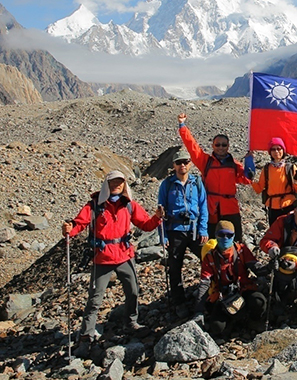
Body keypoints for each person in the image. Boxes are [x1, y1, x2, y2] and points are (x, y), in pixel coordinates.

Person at [62, 171, 164, 356]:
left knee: (133, 291)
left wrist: (157, 218)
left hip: (124, 254)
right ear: (106, 184)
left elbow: (146, 225)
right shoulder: (95, 205)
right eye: (113, 182)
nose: (117, 185)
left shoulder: (129, 205)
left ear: (125, 185)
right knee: (95, 298)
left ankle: (130, 322)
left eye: (120, 182)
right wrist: (70, 230)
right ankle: (86, 335)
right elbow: (79, 224)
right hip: (103, 257)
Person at [177, 113, 250, 241]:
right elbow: (192, 146)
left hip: (231, 209)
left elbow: (246, 179)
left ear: (228, 146)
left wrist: (250, 163)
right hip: (211, 210)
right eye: (217, 145)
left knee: (236, 241)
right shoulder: (206, 162)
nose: (220, 148)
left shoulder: (234, 164)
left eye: (223, 145)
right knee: (212, 243)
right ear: (213, 146)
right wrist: (182, 126)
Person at [194, 220, 267, 336]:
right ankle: (234, 321)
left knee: (259, 301)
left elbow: (256, 267)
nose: (225, 238)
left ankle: (252, 320)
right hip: (222, 295)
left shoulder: (241, 250)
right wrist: (198, 310)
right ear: (216, 236)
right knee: (217, 327)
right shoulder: (210, 257)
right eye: (221, 235)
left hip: (243, 289)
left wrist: (270, 267)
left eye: (229, 235)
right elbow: (204, 283)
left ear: (234, 236)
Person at [157, 148, 209, 304]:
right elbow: (160, 211)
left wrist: (203, 228)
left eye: (186, 162)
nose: (182, 165)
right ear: (174, 165)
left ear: (190, 163)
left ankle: (209, 293)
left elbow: (203, 206)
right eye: (179, 163)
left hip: (194, 230)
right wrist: (163, 235)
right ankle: (178, 301)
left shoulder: (197, 182)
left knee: (207, 260)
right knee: (174, 267)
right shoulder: (167, 185)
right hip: (175, 230)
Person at [249, 137, 297, 225]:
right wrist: (251, 180)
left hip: (289, 205)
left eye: (279, 148)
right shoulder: (266, 169)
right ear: (270, 152)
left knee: (289, 233)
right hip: (273, 207)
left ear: (283, 150)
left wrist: (296, 180)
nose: (276, 152)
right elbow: (259, 189)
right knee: (275, 234)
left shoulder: (290, 168)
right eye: (273, 149)